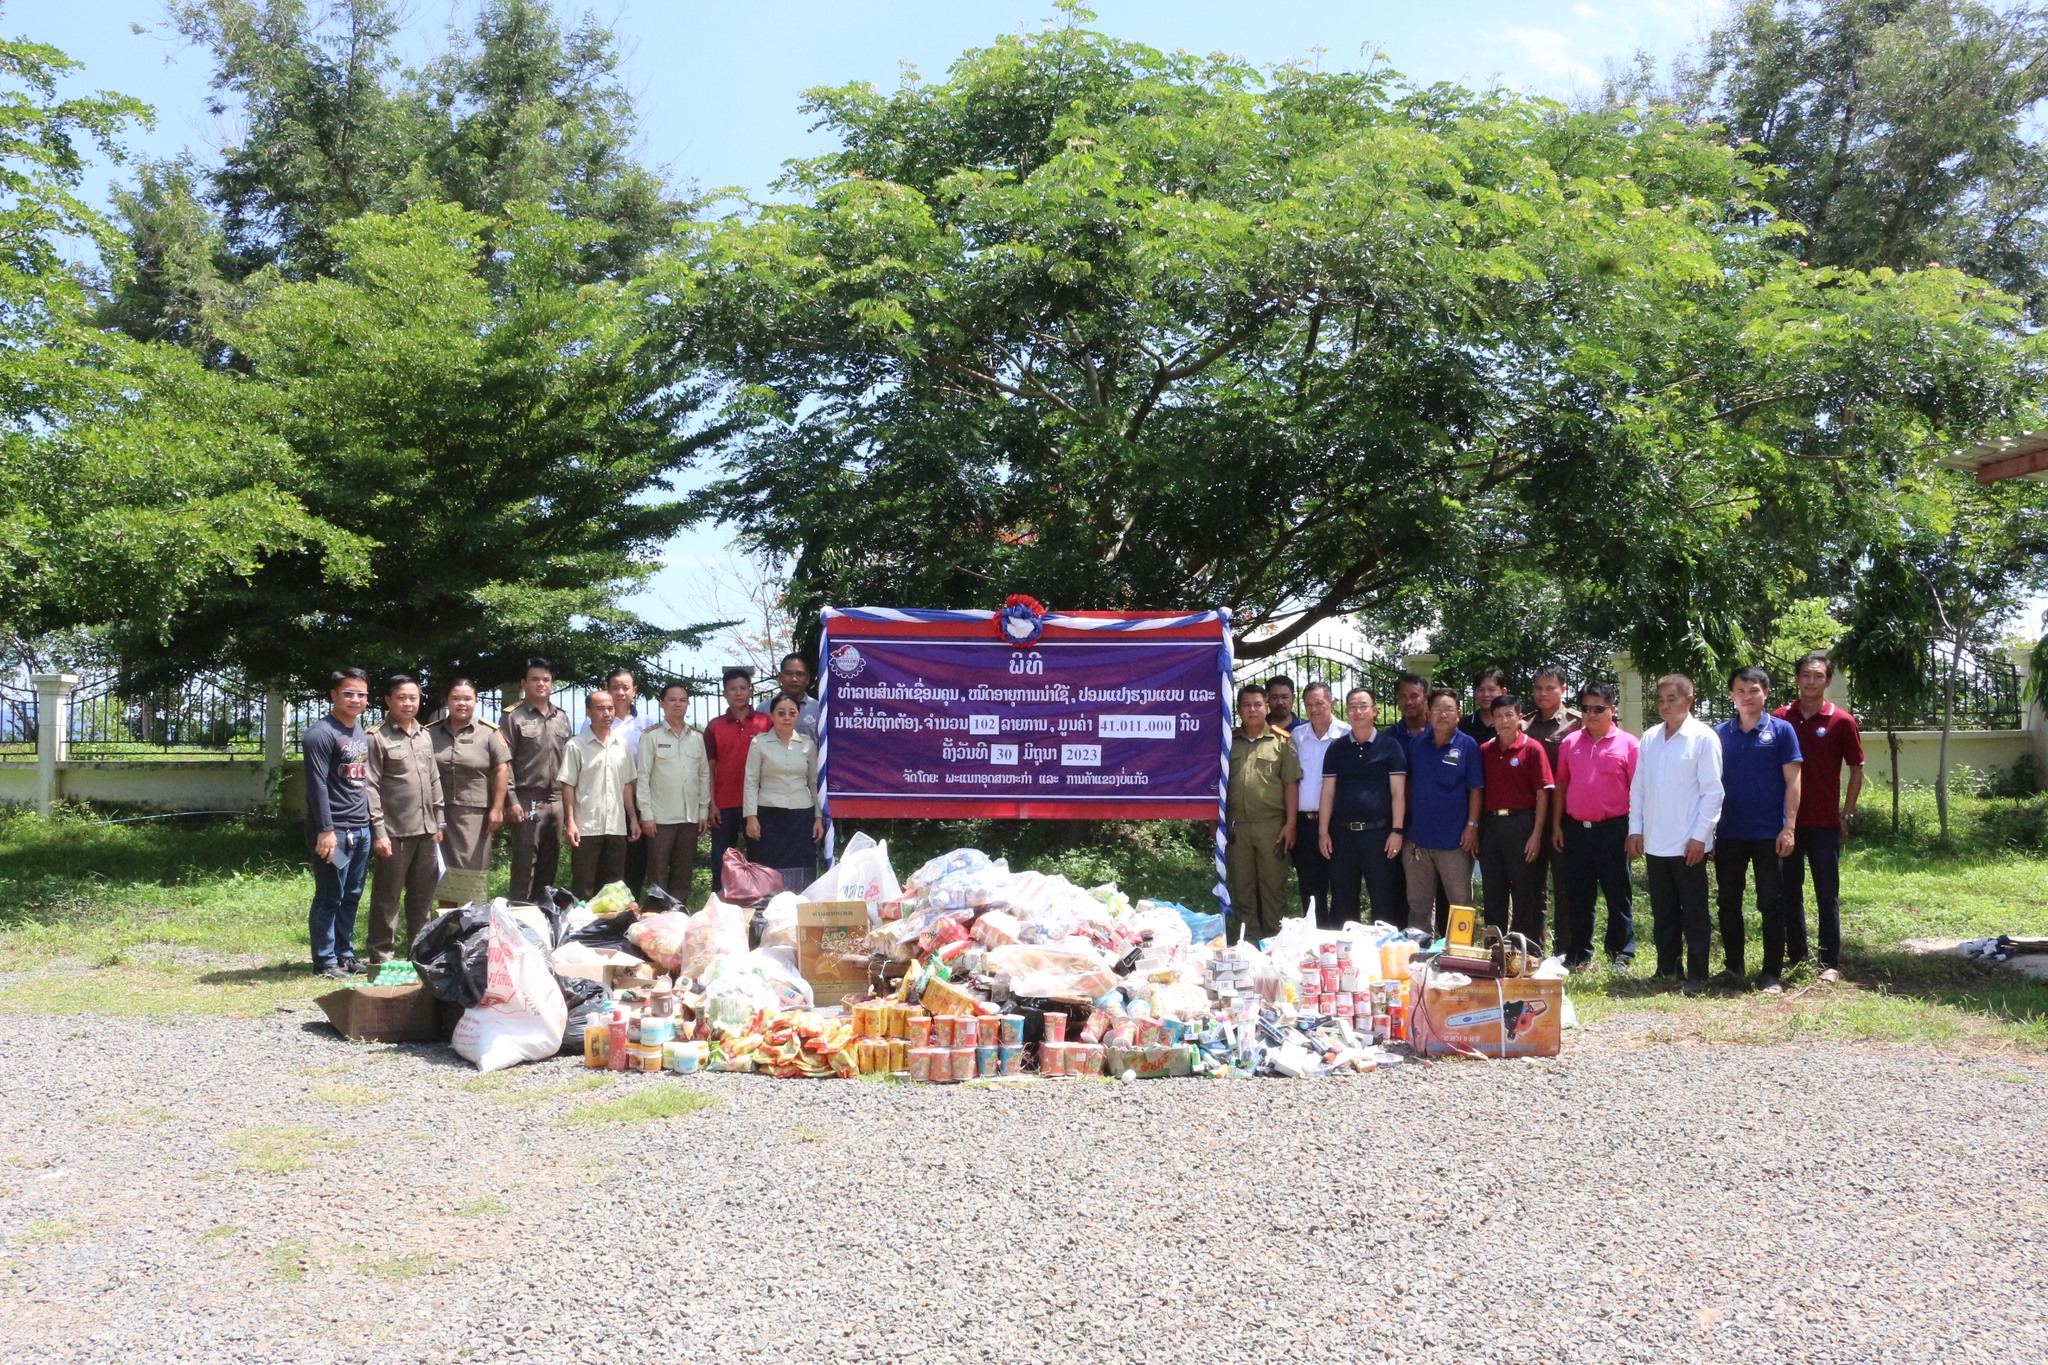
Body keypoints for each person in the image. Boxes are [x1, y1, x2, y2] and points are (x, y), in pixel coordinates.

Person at [1628, 675, 1724, 993]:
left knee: (1694, 912)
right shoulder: (1651, 738)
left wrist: (1700, 837)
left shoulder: (1703, 738)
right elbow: (1639, 789)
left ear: (1689, 700)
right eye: (1661, 700)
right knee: (1663, 911)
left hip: (1689, 844)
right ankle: (1666, 969)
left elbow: (1713, 793)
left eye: (1672, 698)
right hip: (1655, 841)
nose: (1665, 705)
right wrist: (1635, 830)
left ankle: (1698, 975)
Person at [1774, 651, 1865, 984]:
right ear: (1797, 679)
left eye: (1818, 676)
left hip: (1825, 822)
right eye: (1805, 675)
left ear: (1828, 681)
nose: (1811, 681)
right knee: (1788, 890)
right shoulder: (1780, 718)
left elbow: (1857, 770)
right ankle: (1796, 956)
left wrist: (1847, 813)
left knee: (1827, 893)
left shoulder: (1842, 721)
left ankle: (1830, 962)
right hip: (1788, 824)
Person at [1715, 665, 1803, 993]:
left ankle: (1771, 973)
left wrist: (1789, 827)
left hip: (1770, 834)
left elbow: (1793, 780)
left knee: (1771, 902)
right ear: (1731, 695)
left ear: (1765, 693)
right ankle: (1733, 966)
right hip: (1729, 833)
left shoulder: (1781, 731)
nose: (1747, 696)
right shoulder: (1720, 734)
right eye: (1740, 691)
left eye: (1754, 690)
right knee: (1728, 901)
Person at [1550, 682, 1639, 967]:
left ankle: (1620, 953)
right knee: (1578, 895)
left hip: (1614, 829)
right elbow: (1561, 785)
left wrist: (1636, 831)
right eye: (1586, 709)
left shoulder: (1629, 744)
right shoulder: (1570, 743)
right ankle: (1578, 952)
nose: (1591, 715)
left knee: (1618, 895)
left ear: (1612, 709)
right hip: (1576, 829)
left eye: (1598, 709)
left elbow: (1639, 791)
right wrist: (1556, 825)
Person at [364, 674, 445, 966]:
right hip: (394, 831)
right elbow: (369, 787)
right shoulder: (377, 737)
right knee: (387, 898)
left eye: (413, 697)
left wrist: (440, 821)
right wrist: (378, 832)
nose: (409, 703)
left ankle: (419, 952)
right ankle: (381, 955)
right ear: (388, 700)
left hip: (426, 829)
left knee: (423, 898)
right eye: (402, 697)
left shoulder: (424, 735)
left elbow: (434, 779)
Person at [303, 667, 373, 980]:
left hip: (361, 829)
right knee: (331, 894)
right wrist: (326, 830)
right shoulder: (321, 733)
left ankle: (345, 954)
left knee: (353, 893)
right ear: (333, 695)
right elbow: (317, 785)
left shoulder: (359, 733)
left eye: (361, 694)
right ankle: (324, 960)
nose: (355, 699)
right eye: (349, 693)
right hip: (336, 832)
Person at [1317, 687, 1408, 925]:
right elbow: (1327, 792)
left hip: (1379, 835)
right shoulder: (1336, 748)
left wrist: (1397, 831)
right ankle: (1344, 957)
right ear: (1346, 712)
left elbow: (1398, 792)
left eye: (1363, 706)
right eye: (1352, 707)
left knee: (1384, 900)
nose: (1357, 712)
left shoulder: (1390, 746)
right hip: (1342, 835)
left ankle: (1384, 955)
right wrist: (1323, 831)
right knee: (1343, 901)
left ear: (1375, 711)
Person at [1404, 687, 1484, 937]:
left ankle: (1461, 955)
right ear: (1428, 713)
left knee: (1460, 902)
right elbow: (1407, 785)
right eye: (1437, 709)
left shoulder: (1468, 745)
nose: (1442, 714)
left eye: (1448, 709)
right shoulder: (1417, 744)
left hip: (1455, 841)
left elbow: (1476, 789)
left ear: (1458, 715)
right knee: (1418, 904)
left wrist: (1472, 826)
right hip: (1418, 840)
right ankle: (1418, 955)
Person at [1225, 683, 1301, 943]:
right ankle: (1248, 944)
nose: (1252, 710)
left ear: (1266, 707)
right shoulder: (1229, 742)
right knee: (1243, 889)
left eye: (1257, 704)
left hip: (1272, 827)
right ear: (1239, 709)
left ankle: (1274, 944)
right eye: (1246, 705)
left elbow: (1291, 784)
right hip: (1238, 828)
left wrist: (1290, 823)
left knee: (1273, 889)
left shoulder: (1281, 741)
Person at [1477, 693, 1553, 943]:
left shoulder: (1532, 748)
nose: (1504, 720)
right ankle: (1494, 947)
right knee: (1493, 890)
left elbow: (1543, 794)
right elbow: (1478, 793)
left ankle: (1523, 948)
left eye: (1509, 714)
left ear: (1519, 718)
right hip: (1491, 826)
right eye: (1498, 716)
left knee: (1524, 890)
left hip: (1522, 824)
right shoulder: (1485, 750)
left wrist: (1536, 835)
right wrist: (1476, 829)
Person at [428, 677, 509, 907]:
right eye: (455, 698)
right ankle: (446, 925)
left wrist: (497, 807)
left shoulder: (489, 732)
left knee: (472, 871)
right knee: (441, 870)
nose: (461, 703)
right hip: (439, 813)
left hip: (475, 817)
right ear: (446, 701)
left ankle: (471, 927)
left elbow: (502, 769)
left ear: (475, 701)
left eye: (467, 698)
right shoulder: (430, 733)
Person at [502, 657, 573, 903]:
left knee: (549, 863)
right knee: (525, 864)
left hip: (556, 800)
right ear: (524, 683)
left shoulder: (561, 717)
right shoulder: (513, 717)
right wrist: (511, 800)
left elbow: (570, 764)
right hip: (528, 799)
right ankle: (519, 919)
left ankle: (543, 917)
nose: (541, 684)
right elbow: (504, 763)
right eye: (535, 679)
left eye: (546, 679)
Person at [560, 689, 640, 898]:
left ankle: (610, 928)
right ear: (589, 713)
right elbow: (568, 785)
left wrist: (632, 818)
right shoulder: (575, 746)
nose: (607, 713)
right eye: (600, 709)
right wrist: (570, 822)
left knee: (614, 888)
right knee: (584, 886)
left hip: (616, 826)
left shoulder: (622, 745)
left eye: (610, 708)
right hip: (586, 826)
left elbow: (627, 785)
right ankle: (582, 928)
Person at [637, 681, 712, 900]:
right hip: (660, 818)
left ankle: (679, 915)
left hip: (689, 817)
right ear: (662, 704)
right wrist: (646, 814)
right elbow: (643, 777)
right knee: (657, 871)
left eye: (682, 700)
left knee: (683, 872)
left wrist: (703, 812)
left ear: (688, 705)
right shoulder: (651, 737)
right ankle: (656, 917)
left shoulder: (697, 738)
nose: (677, 704)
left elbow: (704, 776)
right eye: (672, 700)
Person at [1522, 664, 1582, 939]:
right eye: (1538, 688)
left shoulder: (1577, 723)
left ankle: (1567, 949)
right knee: (1533, 885)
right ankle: (1533, 947)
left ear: (1563, 689)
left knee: (1566, 885)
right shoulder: (1524, 725)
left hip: (1566, 817)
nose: (1543, 693)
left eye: (1550, 688)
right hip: (1531, 817)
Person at [585, 667, 654, 895]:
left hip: (637, 794)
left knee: (635, 852)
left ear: (634, 690)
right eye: (616, 687)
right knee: (607, 853)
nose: (621, 692)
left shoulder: (646, 722)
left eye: (626, 687)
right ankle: (600, 903)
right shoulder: (595, 721)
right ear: (608, 689)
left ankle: (629, 902)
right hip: (605, 795)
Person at [704, 666, 772, 895]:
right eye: (732, 689)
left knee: (760, 856)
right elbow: (709, 768)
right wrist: (712, 803)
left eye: (743, 688)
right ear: (724, 694)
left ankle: (759, 902)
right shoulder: (715, 726)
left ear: (751, 691)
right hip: (724, 803)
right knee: (722, 859)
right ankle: (719, 902)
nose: (738, 693)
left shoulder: (766, 722)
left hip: (759, 803)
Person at [744, 694, 823, 891]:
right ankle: (767, 910)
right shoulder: (759, 743)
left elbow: (814, 783)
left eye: (792, 713)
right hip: (768, 815)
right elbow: (751, 782)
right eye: (781, 713)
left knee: (801, 865)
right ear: (771, 716)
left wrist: (818, 817)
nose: (786, 717)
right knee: (768, 864)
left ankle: (800, 907)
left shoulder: (807, 745)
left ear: (798, 716)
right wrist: (751, 817)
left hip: (801, 815)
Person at [1289, 681, 1344, 921]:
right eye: (1308, 704)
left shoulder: (1346, 734)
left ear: (1332, 703)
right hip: (1305, 823)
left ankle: (1339, 941)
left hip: (1338, 823)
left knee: (1342, 885)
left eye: (1320, 703)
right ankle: (1315, 939)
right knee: (1310, 889)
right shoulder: (1297, 736)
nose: (1314, 709)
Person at [778, 652, 824, 742]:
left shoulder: (819, 709)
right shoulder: (765, 709)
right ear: (780, 677)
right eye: (788, 673)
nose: (794, 679)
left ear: (807, 679)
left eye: (799, 674)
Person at [1459, 668, 1510, 743]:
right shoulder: (1463, 725)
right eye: (1481, 690)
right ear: (1474, 693)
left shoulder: (1512, 724)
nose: (1486, 694)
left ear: (1503, 692)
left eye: (1491, 689)